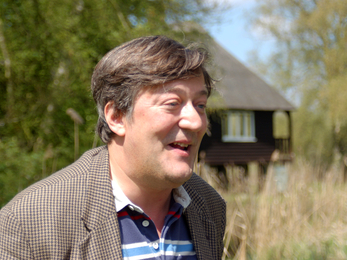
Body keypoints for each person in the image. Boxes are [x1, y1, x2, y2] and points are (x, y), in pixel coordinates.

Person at [0, 35, 226, 259]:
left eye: (200, 105)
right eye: (172, 104)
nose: (196, 122)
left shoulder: (209, 206)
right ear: (116, 117)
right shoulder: (29, 222)